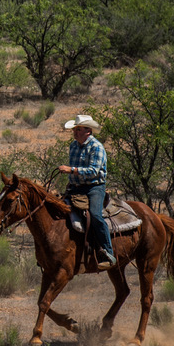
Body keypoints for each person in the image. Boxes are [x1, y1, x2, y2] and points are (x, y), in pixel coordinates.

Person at [58, 114, 116, 268]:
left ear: (88, 131)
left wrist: (71, 170)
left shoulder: (97, 147)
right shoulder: (73, 146)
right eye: (74, 129)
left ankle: (108, 252)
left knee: (95, 215)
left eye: (78, 129)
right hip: (76, 188)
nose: (75, 132)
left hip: (94, 187)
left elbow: (93, 171)